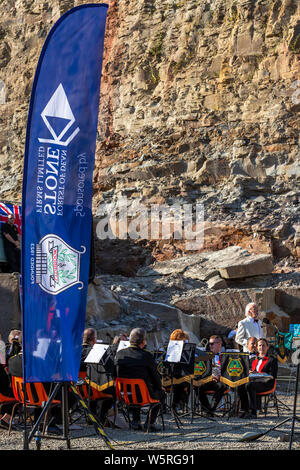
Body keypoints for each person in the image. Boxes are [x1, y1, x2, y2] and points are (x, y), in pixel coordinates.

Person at [114, 327, 165, 432]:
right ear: (143, 342)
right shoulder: (146, 355)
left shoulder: (119, 354)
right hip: (142, 394)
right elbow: (155, 376)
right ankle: (149, 423)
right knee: (161, 394)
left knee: (135, 392)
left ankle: (136, 421)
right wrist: (159, 387)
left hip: (124, 394)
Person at [239, 338, 278, 419]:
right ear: (256, 347)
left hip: (266, 384)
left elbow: (273, 375)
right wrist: (248, 372)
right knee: (240, 385)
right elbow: (248, 371)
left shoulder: (272, 360)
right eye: (260, 345)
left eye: (264, 345)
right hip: (254, 382)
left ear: (267, 347)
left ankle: (253, 412)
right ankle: (244, 410)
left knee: (250, 385)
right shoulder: (253, 359)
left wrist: (258, 374)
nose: (261, 347)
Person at [196, 335, 228, 415]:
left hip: (220, 380)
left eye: (212, 343)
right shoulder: (204, 356)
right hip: (208, 379)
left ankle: (211, 410)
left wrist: (221, 377)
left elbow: (229, 371)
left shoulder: (226, 356)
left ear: (219, 344)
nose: (210, 345)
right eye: (209, 344)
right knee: (197, 386)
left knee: (222, 386)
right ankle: (207, 409)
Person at [166, 329, 192, 412]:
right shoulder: (169, 350)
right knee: (179, 383)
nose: (183, 344)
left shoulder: (187, 351)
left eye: (184, 341)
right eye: (181, 341)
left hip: (183, 376)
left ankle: (182, 405)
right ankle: (174, 406)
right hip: (169, 376)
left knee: (187, 382)